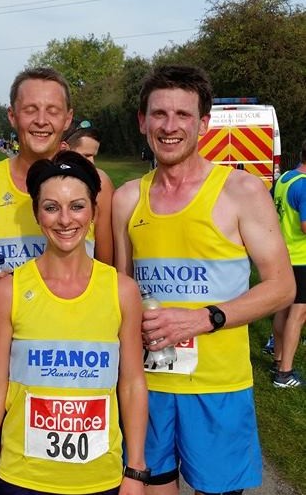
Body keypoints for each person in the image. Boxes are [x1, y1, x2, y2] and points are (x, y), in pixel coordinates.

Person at [111, 65, 295, 495]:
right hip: (147, 384)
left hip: (218, 386)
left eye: (183, 115)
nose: (170, 126)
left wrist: (203, 318)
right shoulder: (127, 199)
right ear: (142, 121)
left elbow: (282, 286)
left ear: (203, 124)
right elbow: (122, 289)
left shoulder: (242, 192)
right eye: (159, 114)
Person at [0, 150, 148, 495]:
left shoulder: (122, 290)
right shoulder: (9, 291)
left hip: (99, 478)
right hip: (22, 477)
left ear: (94, 212)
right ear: (36, 214)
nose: (65, 220)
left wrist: (135, 471)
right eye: (51, 208)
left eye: (77, 206)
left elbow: (133, 383)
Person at [0, 67, 113, 420]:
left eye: (53, 110)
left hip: (77, 359)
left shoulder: (97, 185)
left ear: (68, 118)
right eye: (30, 110)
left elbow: (111, 272)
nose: (41, 121)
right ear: (13, 115)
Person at [271, 139, 306, 388]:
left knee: (282, 310)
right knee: (299, 313)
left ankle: (278, 359)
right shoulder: (304, 186)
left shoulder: (285, 178)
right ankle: (284, 373)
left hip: (283, 256)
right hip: (301, 259)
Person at [61, 120, 115, 264]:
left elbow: (106, 260)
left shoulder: (101, 186)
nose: (92, 163)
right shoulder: (43, 184)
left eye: (94, 156)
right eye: (86, 156)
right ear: (64, 149)